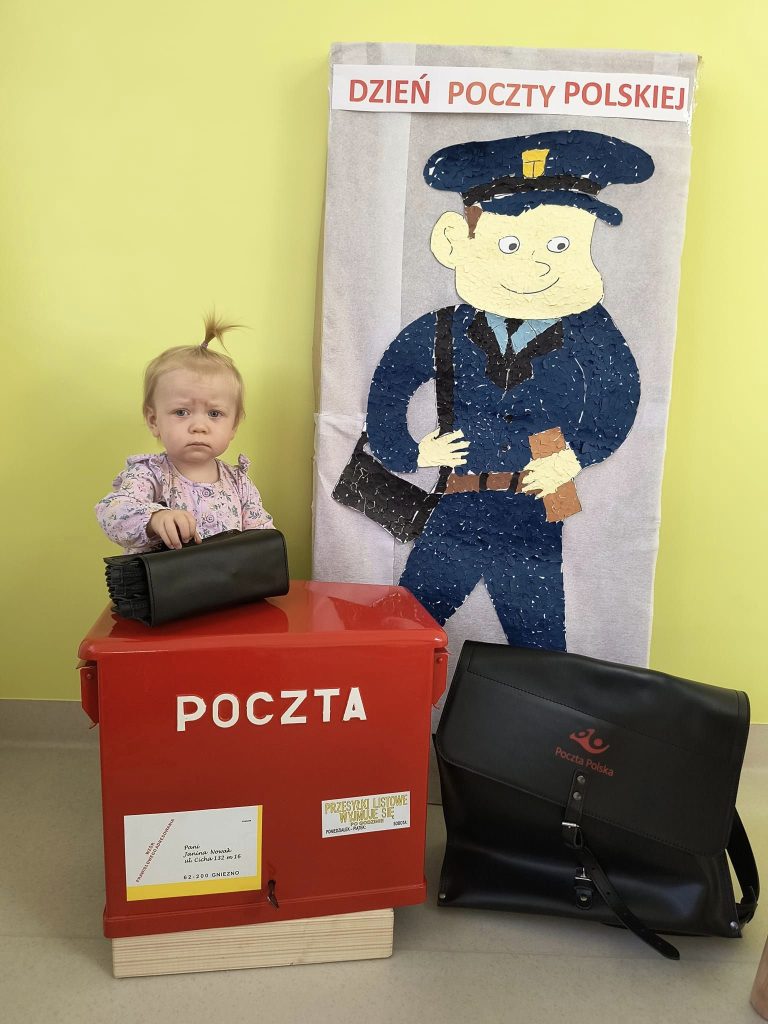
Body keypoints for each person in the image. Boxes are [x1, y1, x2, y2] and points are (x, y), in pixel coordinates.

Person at [361, 130, 653, 651]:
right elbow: (390, 385)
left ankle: (535, 708)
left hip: (535, 512)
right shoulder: (444, 329)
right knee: (402, 635)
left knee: (539, 649)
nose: (538, 264)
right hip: (456, 508)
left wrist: (576, 456)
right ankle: (382, 700)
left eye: (560, 245)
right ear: (456, 242)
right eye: (511, 244)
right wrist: (409, 451)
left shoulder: (589, 331)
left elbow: (619, 394)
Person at [96, 315, 273, 553]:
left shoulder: (239, 483)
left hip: (227, 579)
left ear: (233, 426)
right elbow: (112, 513)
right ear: (154, 420)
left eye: (214, 413)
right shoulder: (150, 474)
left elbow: (261, 540)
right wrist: (154, 519)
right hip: (165, 578)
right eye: (181, 412)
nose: (199, 426)